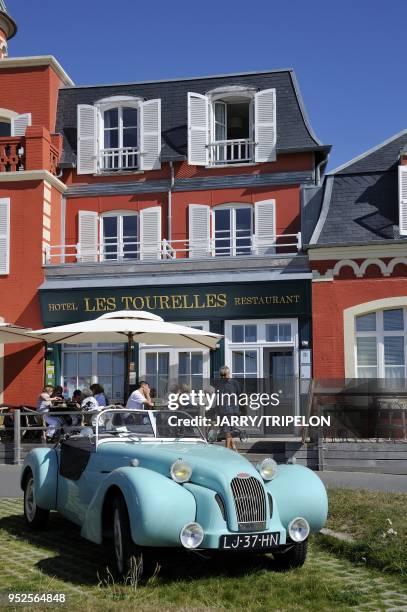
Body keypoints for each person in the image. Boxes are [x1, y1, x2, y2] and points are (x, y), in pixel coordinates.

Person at [215, 366, 241, 451]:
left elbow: (239, 395)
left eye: (224, 375)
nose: (223, 377)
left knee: (227, 430)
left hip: (231, 410)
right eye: (221, 375)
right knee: (227, 430)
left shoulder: (234, 383)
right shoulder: (219, 383)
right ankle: (234, 448)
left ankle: (228, 450)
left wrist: (239, 410)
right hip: (222, 410)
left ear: (229, 374)